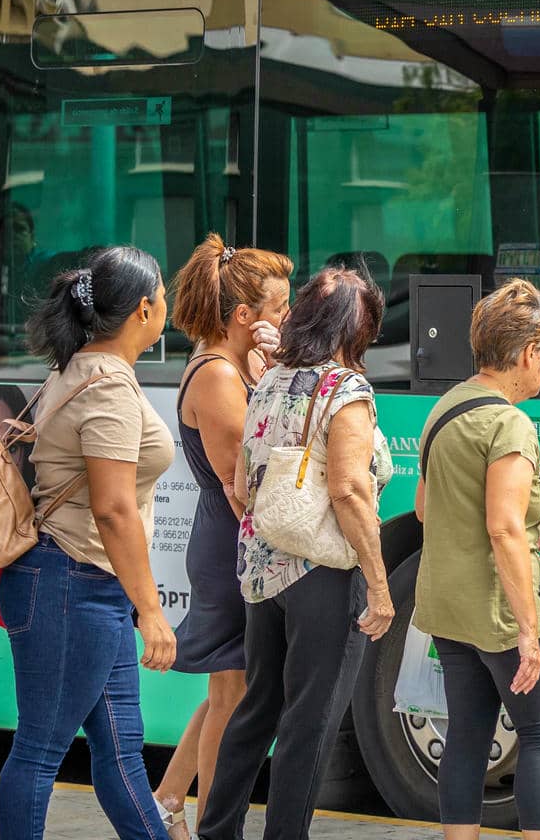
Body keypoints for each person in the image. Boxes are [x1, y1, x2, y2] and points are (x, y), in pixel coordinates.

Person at [197, 267, 396, 840]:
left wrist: (271, 539)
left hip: (264, 574)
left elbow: (240, 484)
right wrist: (379, 585)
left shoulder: (269, 380)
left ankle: (217, 831)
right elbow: (351, 490)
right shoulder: (346, 392)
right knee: (310, 721)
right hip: (325, 576)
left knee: (257, 708)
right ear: (358, 330)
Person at [0, 246, 176, 840]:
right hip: (71, 585)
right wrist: (151, 613)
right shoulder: (106, 388)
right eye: (163, 297)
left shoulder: (78, 369)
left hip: (86, 586)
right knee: (41, 749)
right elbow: (114, 508)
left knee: (122, 752)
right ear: (144, 309)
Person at [413, 279, 540, 840]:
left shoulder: (446, 406)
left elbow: (426, 509)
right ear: (526, 353)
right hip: (500, 612)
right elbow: (503, 529)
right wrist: (530, 633)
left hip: (447, 607)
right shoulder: (509, 424)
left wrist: (532, 525)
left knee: (469, 733)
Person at [150, 236, 292, 840]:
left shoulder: (233, 364)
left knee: (230, 687)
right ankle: (214, 824)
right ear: (244, 317)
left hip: (229, 540)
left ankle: (166, 799)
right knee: (233, 691)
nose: (288, 317)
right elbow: (244, 485)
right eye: (280, 308)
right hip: (230, 544)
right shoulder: (215, 375)